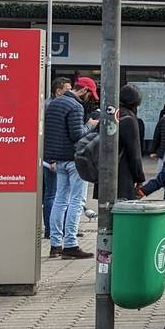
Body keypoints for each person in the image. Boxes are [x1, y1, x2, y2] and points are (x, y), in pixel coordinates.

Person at [44, 75, 99, 259]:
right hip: (74, 160)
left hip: (58, 159)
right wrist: (90, 125)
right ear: (83, 90)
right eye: (89, 95)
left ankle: (55, 245)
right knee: (77, 201)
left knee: (59, 200)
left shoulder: (54, 104)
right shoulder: (75, 106)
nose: (89, 98)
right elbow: (77, 134)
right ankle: (71, 245)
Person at [41, 77, 71, 235]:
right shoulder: (51, 106)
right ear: (59, 91)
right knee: (53, 193)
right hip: (51, 158)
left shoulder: (51, 105)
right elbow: (49, 135)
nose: (71, 93)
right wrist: (51, 159)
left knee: (55, 194)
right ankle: (51, 229)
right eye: (68, 90)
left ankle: (55, 228)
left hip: (52, 156)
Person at [114, 85, 146, 203]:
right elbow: (134, 152)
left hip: (104, 171)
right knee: (123, 208)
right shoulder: (129, 118)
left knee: (106, 207)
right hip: (123, 172)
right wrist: (139, 178)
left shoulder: (111, 113)